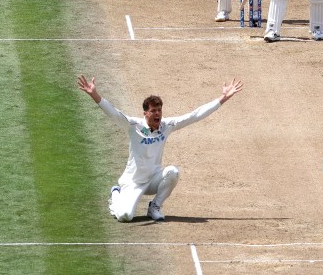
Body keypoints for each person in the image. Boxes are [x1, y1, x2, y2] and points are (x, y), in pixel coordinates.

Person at [77, 74, 243, 222]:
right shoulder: (134, 126)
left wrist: (222, 99)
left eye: (159, 110)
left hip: (154, 179)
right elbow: (114, 113)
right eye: (153, 111)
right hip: (133, 182)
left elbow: (194, 115)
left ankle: (154, 207)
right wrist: (95, 95)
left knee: (173, 172)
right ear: (145, 113)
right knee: (125, 216)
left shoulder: (166, 125)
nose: (158, 114)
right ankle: (115, 193)